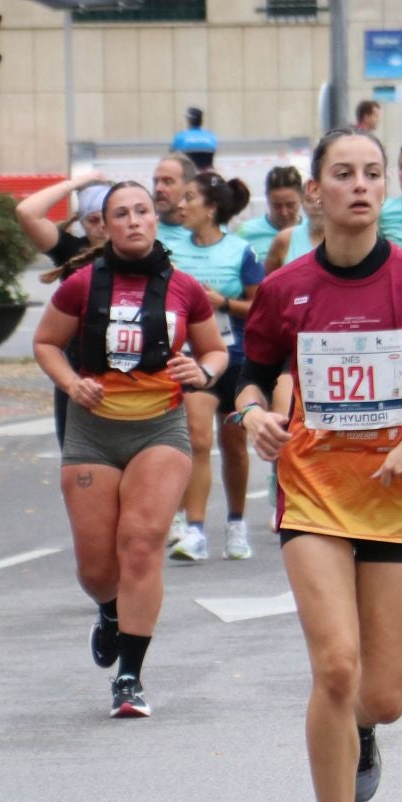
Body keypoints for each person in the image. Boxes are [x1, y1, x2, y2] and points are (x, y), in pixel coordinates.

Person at [236, 128, 402, 802]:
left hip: (398, 499)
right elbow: (250, 377)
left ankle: (363, 729)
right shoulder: (286, 289)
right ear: (317, 193)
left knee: (383, 696)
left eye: (373, 173)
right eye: (344, 174)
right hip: (311, 494)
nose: (361, 185)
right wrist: (252, 417)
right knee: (335, 666)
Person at [32, 183, 229, 717]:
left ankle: (129, 678)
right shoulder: (80, 284)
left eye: (143, 210)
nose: (134, 221)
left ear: (155, 219)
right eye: (122, 213)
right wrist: (72, 384)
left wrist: (203, 370)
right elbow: (46, 342)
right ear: (107, 225)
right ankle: (110, 611)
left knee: (141, 544)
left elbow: (215, 350)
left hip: (159, 431)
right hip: (92, 432)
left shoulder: (184, 287)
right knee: (98, 570)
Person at [166, 170, 262, 562]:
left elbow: (260, 307)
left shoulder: (240, 251)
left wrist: (223, 303)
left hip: (236, 359)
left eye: (189, 198)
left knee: (234, 445)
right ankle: (195, 530)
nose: (181, 204)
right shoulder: (172, 251)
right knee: (197, 439)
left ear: (211, 208)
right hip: (193, 360)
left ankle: (236, 524)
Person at [17, 176, 112, 446]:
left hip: (127, 367)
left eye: (107, 217)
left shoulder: (136, 251)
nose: (102, 227)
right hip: (78, 367)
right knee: (76, 454)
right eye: (93, 220)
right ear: (82, 221)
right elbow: (27, 212)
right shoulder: (72, 250)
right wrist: (78, 182)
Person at [238, 164, 304, 264]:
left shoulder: (313, 232)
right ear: (267, 199)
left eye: (290, 205)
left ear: (301, 197)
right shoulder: (247, 232)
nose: (284, 212)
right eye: (277, 206)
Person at [153, 151, 199, 248]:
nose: (158, 188)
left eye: (167, 182)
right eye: (156, 181)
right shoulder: (144, 232)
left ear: (189, 187)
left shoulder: (209, 235)